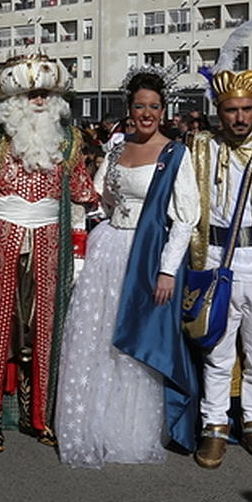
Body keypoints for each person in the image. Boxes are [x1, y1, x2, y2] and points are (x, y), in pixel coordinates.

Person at [55, 67, 199, 468]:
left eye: (154, 106)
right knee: (102, 338)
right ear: (129, 109)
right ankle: (97, 423)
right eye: (140, 106)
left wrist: (168, 270)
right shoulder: (117, 149)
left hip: (148, 255)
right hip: (110, 249)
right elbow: (101, 199)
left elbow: (186, 217)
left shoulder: (175, 154)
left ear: (164, 110)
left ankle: (132, 428)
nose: (146, 113)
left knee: (136, 341)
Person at [0, 55, 97, 452]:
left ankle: (40, 415)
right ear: (13, 96)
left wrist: (81, 251)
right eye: (30, 92)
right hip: (2, 237)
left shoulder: (68, 139)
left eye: (46, 92)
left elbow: (83, 196)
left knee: (43, 328)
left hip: (50, 240)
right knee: (0, 324)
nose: (39, 99)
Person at [189, 68, 252, 470]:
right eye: (231, 110)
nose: (239, 118)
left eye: (246, 109)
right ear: (219, 111)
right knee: (215, 351)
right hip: (213, 262)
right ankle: (214, 426)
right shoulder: (200, 146)